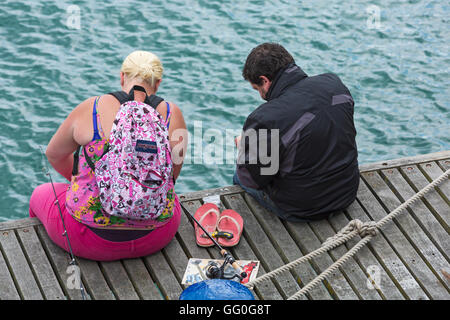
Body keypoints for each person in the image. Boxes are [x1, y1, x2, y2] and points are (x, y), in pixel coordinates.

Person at [29, 50, 187, 261]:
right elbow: (171, 177)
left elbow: (54, 155)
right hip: (156, 234)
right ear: (157, 83)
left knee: (40, 193)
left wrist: (99, 183)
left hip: (85, 237)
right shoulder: (171, 114)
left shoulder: (92, 108)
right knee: (173, 199)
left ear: (122, 76)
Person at [234, 43, 359, 222]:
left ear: (265, 80)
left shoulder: (264, 118)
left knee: (240, 174)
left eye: (257, 89)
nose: (261, 96)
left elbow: (251, 180)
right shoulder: (334, 84)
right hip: (346, 192)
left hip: (304, 207)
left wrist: (245, 148)